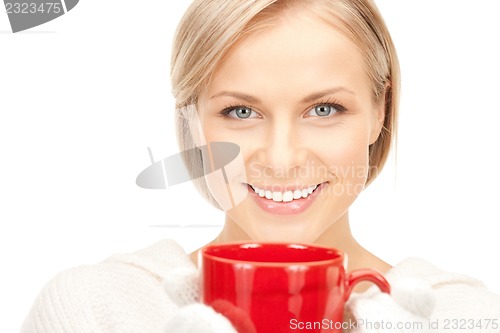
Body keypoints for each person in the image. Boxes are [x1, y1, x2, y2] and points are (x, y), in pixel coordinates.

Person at [21, 0, 500, 332]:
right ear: (192, 119)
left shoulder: (456, 316)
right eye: (241, 112)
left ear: (380, 111)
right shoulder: (96, 310)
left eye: (325, 109)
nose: (281, 159)